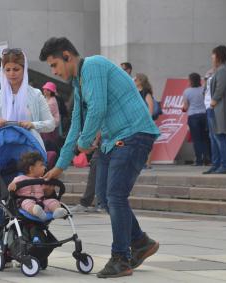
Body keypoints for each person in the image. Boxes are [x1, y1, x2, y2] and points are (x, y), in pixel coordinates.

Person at [39, 37, 160, 279]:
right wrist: (59, 167)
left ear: (67, 56)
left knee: (115, 195)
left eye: (54, 65)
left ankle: (120, 258)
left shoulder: (93, 65)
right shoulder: (79, 83)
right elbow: (75, 124)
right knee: (105, 196)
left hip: (133, 133)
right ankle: (141, 242)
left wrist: (84, 144)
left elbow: (97, 109)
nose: (54, 71)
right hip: (113, 140)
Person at [0, 47, 55, 238]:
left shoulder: (34, 94)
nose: (12, 74)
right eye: (7, 69)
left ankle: (32, 238)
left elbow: (51, 123)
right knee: (5, 203)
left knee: (31, 198)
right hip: (0, 156)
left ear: (24, 69)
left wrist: (32, 124)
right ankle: (5, 245)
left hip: (29, 158)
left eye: (16, 69)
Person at [8, 152, 66, 221]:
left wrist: (48, 190)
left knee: (52, 201)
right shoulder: (19, 179)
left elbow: (47, 194)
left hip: (41, 201)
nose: (44, 167)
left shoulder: (41, 180)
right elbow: (10, 188)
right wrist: (11, 186)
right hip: (26, 200)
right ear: (31, 168)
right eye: (41, 165)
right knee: (26, 203)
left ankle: (57, 210)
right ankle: (36, 211)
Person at [203, 45, 226, 174]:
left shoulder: (224, 69)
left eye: (213, 54)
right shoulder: (218, 70)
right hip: (211, 108)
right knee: (213, 137)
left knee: (221, 136)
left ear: (219, 55)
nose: (212, 57)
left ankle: (225, 165)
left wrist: (213, 102)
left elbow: (220, 88)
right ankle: (216, 164)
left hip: (217, 108)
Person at [182, 73, 209, 166]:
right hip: (204, 115)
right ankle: (207, 159)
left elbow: (185, 107)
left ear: (191, 81)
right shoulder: (203, 90)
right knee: (205, 138)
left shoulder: (187, 91)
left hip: (193, 116)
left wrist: (183, 109)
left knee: (196, 139)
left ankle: (199, 160)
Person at [134, 73, 155, 169]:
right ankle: (139, 162)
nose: (134, 81)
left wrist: (148, 120)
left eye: (135, 79)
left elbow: (150, 107)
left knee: (146, 142)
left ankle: (148, 163)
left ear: (140, 81)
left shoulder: (146, 92)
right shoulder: (134, 91)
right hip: (135, 120)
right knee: (137, 142)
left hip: (145, 121)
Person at [40, 82, 61, 149]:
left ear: (51, 92)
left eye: (47, 90)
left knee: (48, 141)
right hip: (48, 122)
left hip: (51, 123)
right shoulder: (46, 98)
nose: (45, 91)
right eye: (44, 89)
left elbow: (45, 114)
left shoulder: (52, 102)